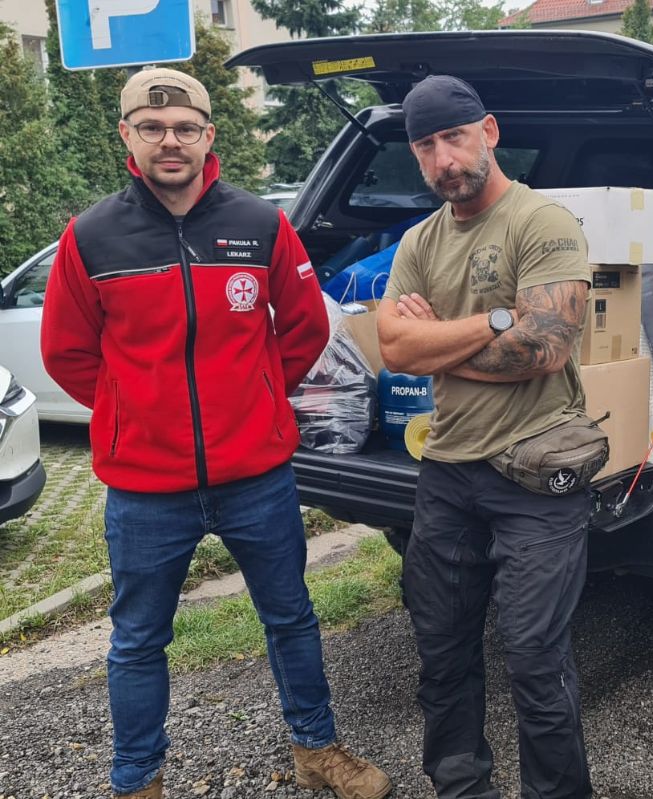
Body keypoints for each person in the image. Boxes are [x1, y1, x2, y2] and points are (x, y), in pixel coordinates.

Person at [40, 68, 392, 799]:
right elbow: (67, 352)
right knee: (138, 642)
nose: (170, 140)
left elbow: (302, 328)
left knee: (291, 616)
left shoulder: (261, 223)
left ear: (208, 134)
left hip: (255, 478)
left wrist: (256, 398)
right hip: (144, 489)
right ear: (127, 135)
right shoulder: (91, 236)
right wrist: (130, 412)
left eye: (185, 127)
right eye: (151, 126)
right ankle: (138, 780)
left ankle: (316, 749)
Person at [378, 75, 594, 799]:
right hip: (446, 472)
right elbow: (393, 351)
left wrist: (433, 336)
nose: (444, 159)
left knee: (534, 655)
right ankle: (460, 786)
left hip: (536, 471)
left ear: (489, 132)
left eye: (455, 138)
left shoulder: (543, 222)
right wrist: (498, 318)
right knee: (441, 650)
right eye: (426, 146)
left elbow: (546, 348)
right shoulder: (417, 241)